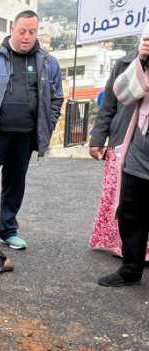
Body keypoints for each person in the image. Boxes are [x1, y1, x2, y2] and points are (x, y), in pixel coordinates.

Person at [0, 10, 63, 250]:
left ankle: (9, 230)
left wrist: (47, 124)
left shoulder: (49, 62)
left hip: (24, 137)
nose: (27, 37)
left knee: (14, 185)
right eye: (22, 31)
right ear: (12, 30)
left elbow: (56, 98)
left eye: (32, 31)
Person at [98, 35, 149, 287]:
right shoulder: (140, 61)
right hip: (138, 153)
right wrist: (141, 60)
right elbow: (121, 94)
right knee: (132, 214)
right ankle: (130, 269)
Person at [88, 49, 146, 260]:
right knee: (121, 198)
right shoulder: (126, 63)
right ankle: (122, 247)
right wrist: (97, 138)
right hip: (122, 141)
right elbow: (110, 103)